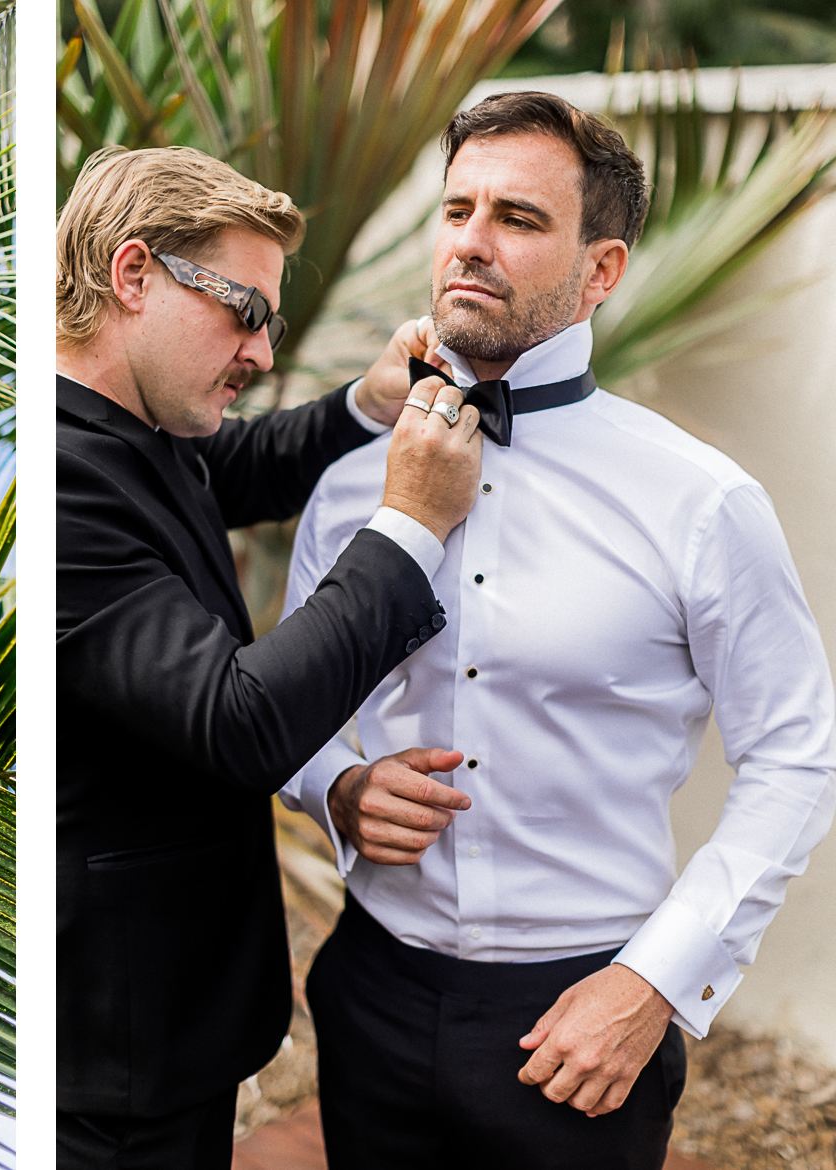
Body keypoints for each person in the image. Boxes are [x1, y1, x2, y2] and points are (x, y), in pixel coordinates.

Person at [282, 90, 836, 1169]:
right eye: (457, 210)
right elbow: (298, 703)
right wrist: (334, 787)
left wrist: (651, 983)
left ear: (601, 270)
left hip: (584, 1016)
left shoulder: (700, 501)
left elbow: (793, 758)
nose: (470, 244)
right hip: (369, 996)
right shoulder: (351, 480)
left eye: (518, 219)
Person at [56, 144, 485, 1169]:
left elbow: (224, 466)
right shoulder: (60, 486)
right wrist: (411, 524)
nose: (257, 350)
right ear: (132, 276)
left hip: (170, 1031)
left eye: (271, 323)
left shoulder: (129, 425)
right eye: (243, 311)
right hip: (109, 1072)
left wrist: (365, 405)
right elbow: (240, 722)